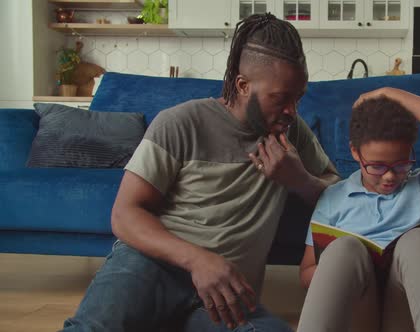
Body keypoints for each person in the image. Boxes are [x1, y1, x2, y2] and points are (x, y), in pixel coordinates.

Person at [62, 13, 339, 332]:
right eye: (280, 98)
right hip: (154, 268)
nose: (292, 110)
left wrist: (299, 180)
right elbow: (125, 214)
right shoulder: (180, 123)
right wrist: (198, 260)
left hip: (227, 293)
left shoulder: (293, 134)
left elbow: (344, 201)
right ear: (243, 85)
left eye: (298, 97)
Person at [297, 88, 420, 332]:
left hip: (407, 310)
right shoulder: (333, 198)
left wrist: (387, 92)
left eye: (400, 164)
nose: (389, 177)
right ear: (355, 152)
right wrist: (350, 271)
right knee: (345, 249)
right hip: (359, 309)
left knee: (418, 241)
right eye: (377, 166)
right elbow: (305, 273)